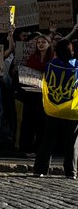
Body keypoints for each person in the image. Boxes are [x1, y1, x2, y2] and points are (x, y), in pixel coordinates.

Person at [33, 39, 78, 178]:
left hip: (52, 109)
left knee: (48, 141)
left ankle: (40, 169)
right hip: (71, 110)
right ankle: (71, 171)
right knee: (71, 143)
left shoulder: (50, 64)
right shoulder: (76, 66)